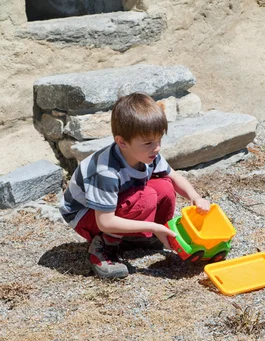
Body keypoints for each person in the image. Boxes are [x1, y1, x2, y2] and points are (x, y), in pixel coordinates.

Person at [59, 92, 210, 279]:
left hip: (113, 206)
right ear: (122, 142)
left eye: (159, 140)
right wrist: (155, 227)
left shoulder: (147, 155)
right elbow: (104, 221)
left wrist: (195, 196)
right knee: (145, 197)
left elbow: (173, 176)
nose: (157, 148)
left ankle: (140, 236)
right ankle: (104, 248)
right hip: (86, 216)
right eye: (148, 142)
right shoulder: (106, 171)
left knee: (164, 186)